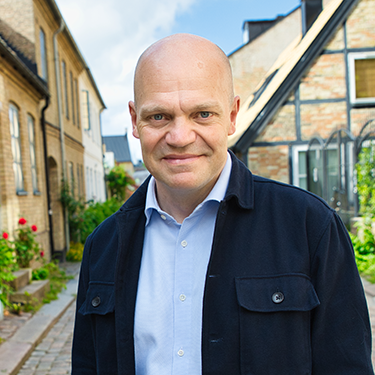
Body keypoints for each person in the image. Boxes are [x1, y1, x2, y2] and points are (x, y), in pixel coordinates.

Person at [72, 34, 373, 374]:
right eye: (159, 116)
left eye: (202, 114)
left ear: (231, 115)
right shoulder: (103, 246)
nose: (180, 137)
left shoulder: (310, 227)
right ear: (134, 120)